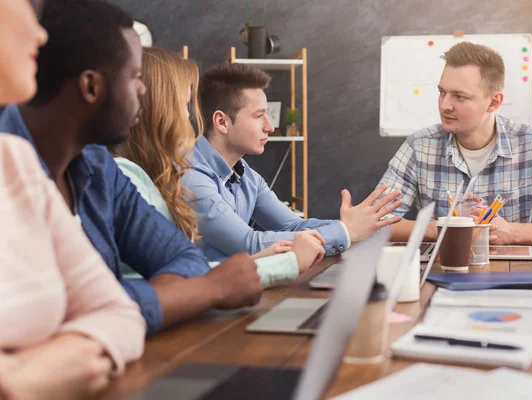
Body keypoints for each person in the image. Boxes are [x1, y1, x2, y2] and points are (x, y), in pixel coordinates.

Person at [0, 0, 263, 337]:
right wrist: (206, 291)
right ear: (91, 87)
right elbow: (51, 315)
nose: (144, 91)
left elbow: (180, 259)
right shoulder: (13, 162)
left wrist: (158, 302)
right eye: (136, 77)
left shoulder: (97, 164)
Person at [0, 0, 145, 398]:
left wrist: (60, 359)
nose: (40, 34)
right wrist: (18, 383)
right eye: (23, 7)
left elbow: (119, 312)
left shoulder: (15, 162)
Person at [112, 47, 326, 287]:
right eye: (183, 106)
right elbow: (170, 284)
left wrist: (256, 262)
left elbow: (183, 273)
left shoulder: (148, 178)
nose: (189, 118)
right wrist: (278, 263)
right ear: (157, 109)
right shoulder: (130, 180)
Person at [378, 41, 532, 245]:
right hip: (442, 271)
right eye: (442, 92)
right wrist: (441, 229)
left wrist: (511, 232)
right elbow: (374, 223)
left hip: (516, 275)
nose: (445, 105)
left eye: (459, 96)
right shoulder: (418, 146)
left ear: (494, 101)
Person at [184, 62, 404, 262]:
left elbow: (293, 225)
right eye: (258, 116)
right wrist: (346, 231)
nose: (269, 126)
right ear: (222, 121)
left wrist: (360, 226)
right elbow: (247, 244)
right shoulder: (192, 175)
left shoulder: (245, 175)